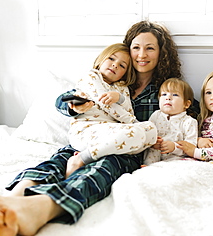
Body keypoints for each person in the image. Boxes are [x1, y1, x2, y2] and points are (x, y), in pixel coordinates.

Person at [0, 21, 213, 236]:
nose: (141, 54)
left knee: (102, 169)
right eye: (136, 48)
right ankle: (18, 195)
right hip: (93, 136)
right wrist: (74, 105)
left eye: (150, 48)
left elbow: (206, 110)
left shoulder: (168, 89)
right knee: (61, 156)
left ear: (161, 53)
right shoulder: (109, 79)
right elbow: (65, 98)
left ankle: (40, 209)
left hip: (128, 151)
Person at [66, 43, 157, 176]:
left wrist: (119, 98)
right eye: (112, 59)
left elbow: (128, 112)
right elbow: (106, 105)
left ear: (125, 73)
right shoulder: (91, 77)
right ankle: (81, 158)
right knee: (138, 133)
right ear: (102, 59)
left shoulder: (122, 88)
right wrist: (136, 124)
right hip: (86, 131)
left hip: (110, 132)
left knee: (151, 129)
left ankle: (140, 159)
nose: (115, 65)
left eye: (122, 65)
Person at [143, 78, 198, 165]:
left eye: (175, 95)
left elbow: (191, 146)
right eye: (164, 94)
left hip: (176, 162)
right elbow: (146, 134)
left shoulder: (189, 122)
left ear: (186, 104)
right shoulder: (156, 115)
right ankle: (148, 168)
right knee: (151, 153)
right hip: (152, 162)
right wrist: (152, 142)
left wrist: (174, 147)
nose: (168, 97)